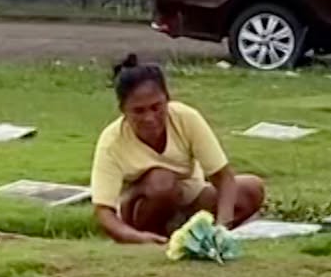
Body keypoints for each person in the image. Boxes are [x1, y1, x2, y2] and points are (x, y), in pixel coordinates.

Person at [90, 55, 265, 245]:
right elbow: (103, 211)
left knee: (251, 188)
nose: (149, 118)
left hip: (190, 196)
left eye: (156, 107)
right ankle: (155, 237)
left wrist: (222, 227)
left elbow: (223, 178)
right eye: (139, 111)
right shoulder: (112, 142)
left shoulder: (186, 117)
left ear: (167, 100)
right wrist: (135, 237)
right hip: (144, 208)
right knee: (162, 182)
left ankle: (190, 235)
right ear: (123, 110)